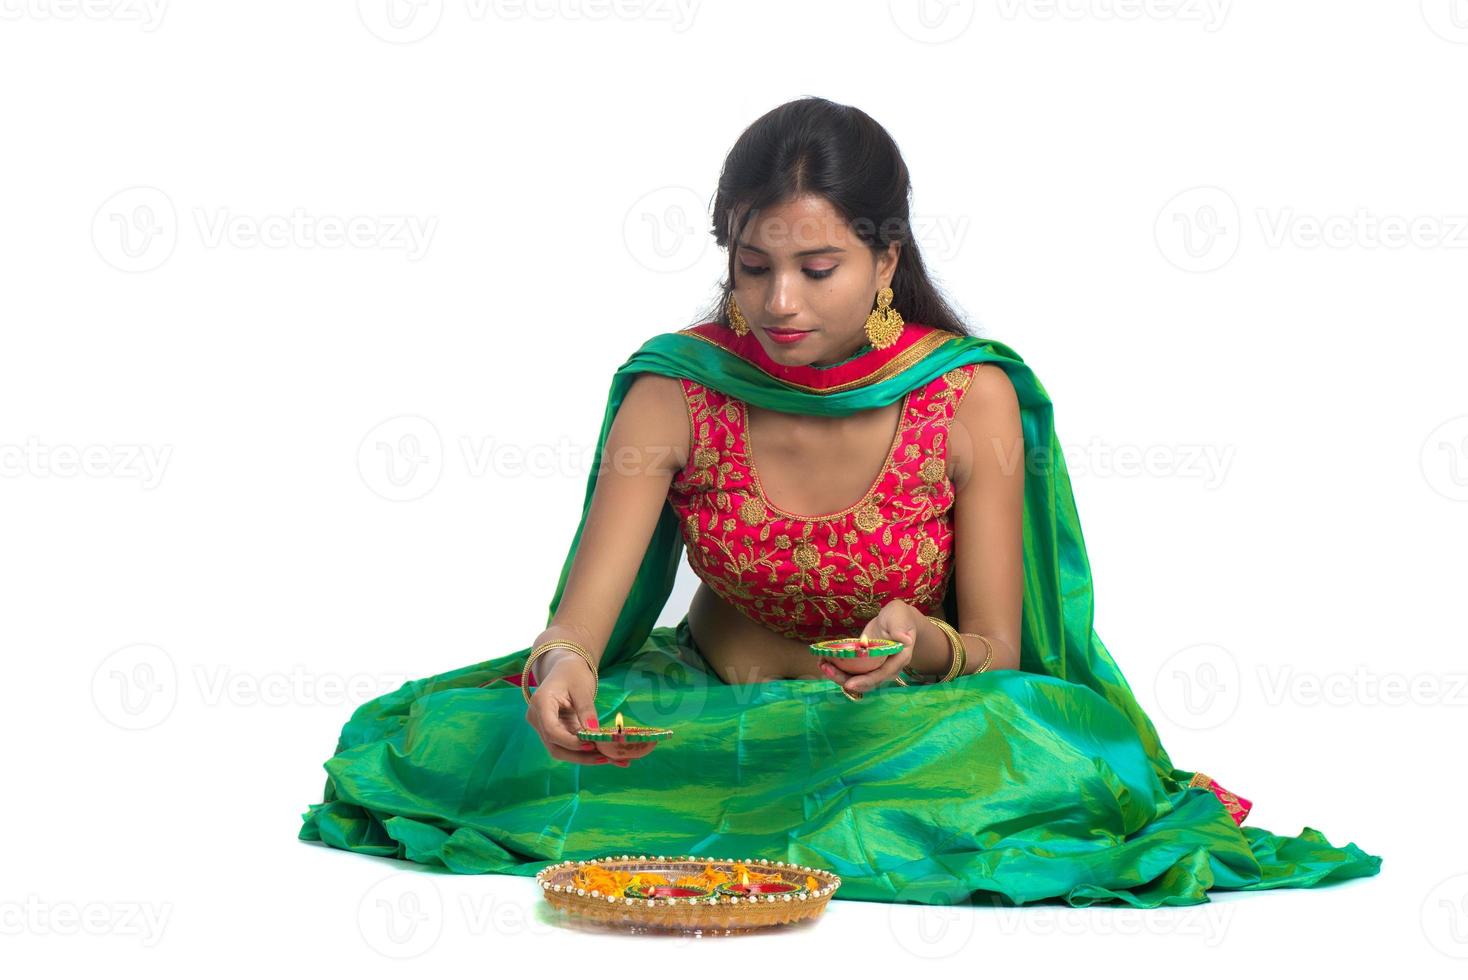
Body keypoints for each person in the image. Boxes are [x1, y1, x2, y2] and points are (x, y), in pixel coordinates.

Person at [298, 97, 1381, 907]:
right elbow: (581, 619)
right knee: (453, 741)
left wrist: (925, 646)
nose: (778, 301)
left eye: (817, 266)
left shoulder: (968, 394)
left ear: (883, 260)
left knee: (1066, 744)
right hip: (705, 714)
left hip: (898, 734)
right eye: (752, 264)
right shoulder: (676, 389)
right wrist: (564, 666)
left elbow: (1000, 646)